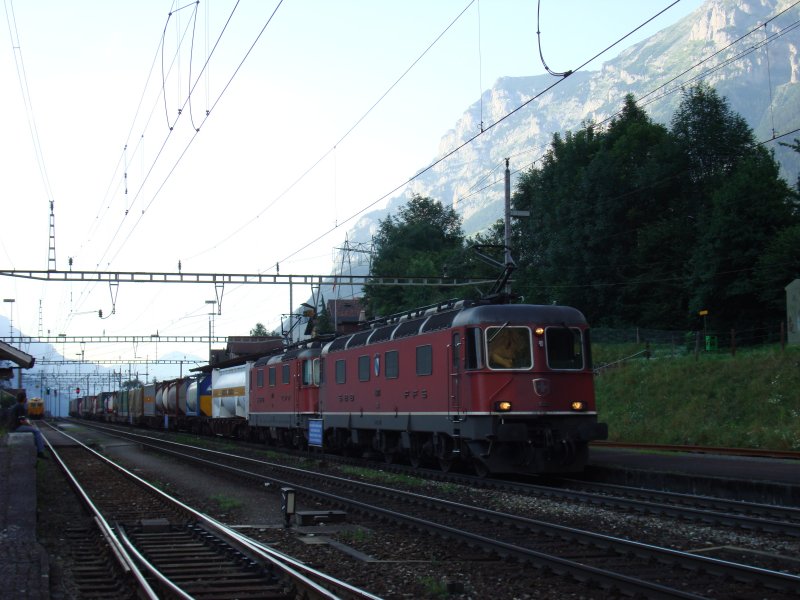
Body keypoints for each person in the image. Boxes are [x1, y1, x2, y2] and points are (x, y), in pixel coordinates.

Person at [7, 391, 46, 458]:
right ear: (24, 399)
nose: (26, 399)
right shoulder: (20, 407)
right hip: (16, 427)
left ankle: (39, 449)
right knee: (36, 431)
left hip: (13, 426)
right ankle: (40, 452)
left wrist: (27, 424)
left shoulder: (16, 405)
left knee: (33, 430)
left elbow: (21, 420)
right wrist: (29, 425)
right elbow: (22, 421)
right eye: (26, 398)